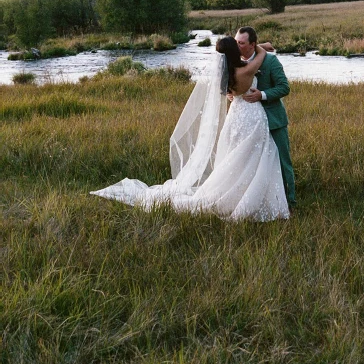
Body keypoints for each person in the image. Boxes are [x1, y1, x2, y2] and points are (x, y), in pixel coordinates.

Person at [90, 37, 289, 222]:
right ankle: (247, 197)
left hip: (236, 116)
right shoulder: (246, 70)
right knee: (255, 156)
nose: (240, 47)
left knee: (237, 157)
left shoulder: (227, 72)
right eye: (237, 45)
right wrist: (263, 46)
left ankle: (242, 191)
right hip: (251, 116)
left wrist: (257, 44)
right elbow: (261, 55)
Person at [234, 26, 295, 208]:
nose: (237, 46)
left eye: (241, 43)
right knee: (252, 163)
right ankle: (261, 200)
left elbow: (284, 87)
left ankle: (289, 201)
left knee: (283, 161)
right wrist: (232, 93)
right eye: (236, 42)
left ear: (252, 45)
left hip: (273, 120)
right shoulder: (234, 61)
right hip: (248, 123)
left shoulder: (270, 61)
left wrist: (262, 95)